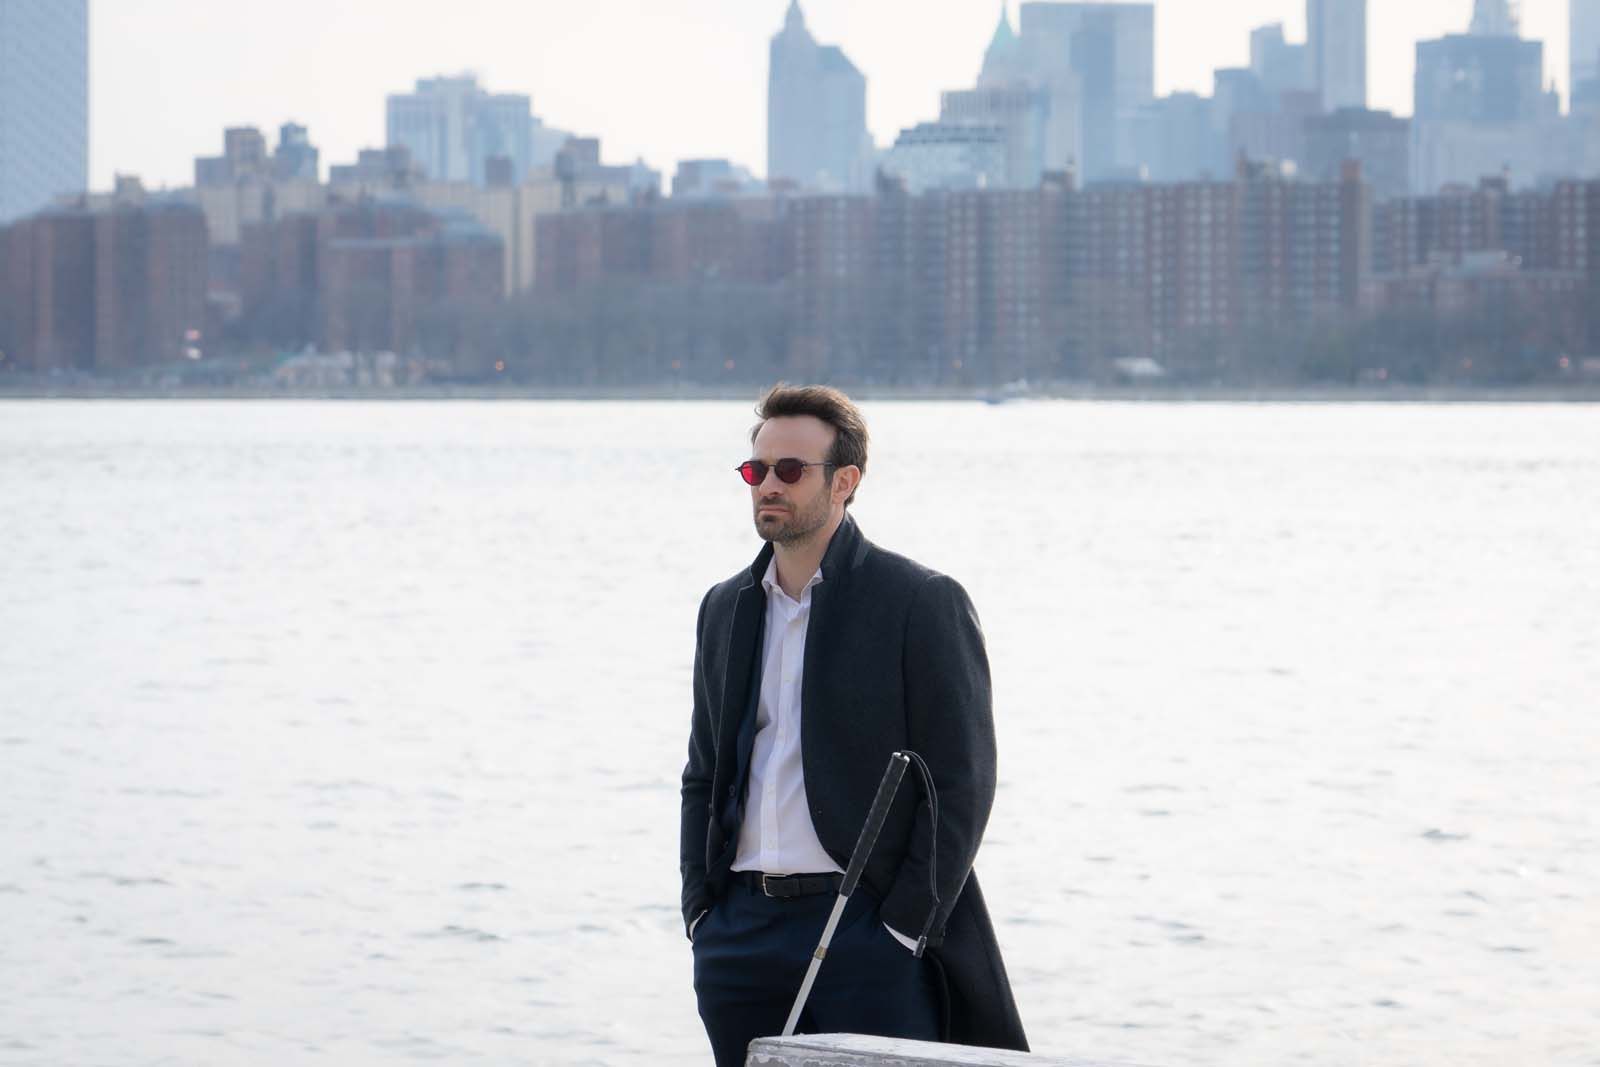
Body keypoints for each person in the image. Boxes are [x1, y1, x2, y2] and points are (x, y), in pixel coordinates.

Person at [679, 383, 1028, 1066]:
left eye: (789, 470)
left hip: (863, 931)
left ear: (845, 481)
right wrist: (701, 911)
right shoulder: (725, 607)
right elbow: (703, 770)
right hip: (738, 935)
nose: (767, 485)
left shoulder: (919, 600)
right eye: (756, 469)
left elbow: (962, 781)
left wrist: (902, 927)